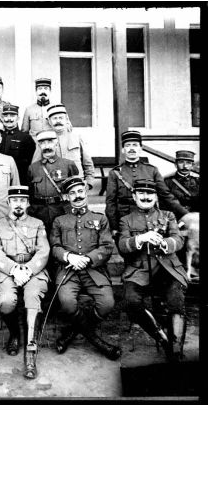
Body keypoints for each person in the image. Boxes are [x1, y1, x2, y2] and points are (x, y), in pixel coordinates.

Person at [49, 176, 121, 360]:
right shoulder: (59, 220)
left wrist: (88, 259)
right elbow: (54, 247)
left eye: (80, 191)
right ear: (67, 197)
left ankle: (73, 332)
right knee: (66, 302)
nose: (77, 195)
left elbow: (106, 246)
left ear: (86, 192)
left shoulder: (100, 219)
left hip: (94, 270)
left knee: (107, 304)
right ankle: (95, 340)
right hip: (68, 270)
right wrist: (68, 256)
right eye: (72, 193)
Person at [118, 179, 188, 361]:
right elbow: (123, 245)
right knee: (130, 301)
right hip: (139, 271)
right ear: (134, 196)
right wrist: (141, 239)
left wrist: (165, 243)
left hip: (168, 269)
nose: (146, 197)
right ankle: (162, 337)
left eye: (150, 193)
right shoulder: (126, 220)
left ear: (156, 196)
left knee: (176, 299)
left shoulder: (168, 215)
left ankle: (176, 349)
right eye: (141, 193)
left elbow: (178, 240)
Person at [0, 186, 49, 378]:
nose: (18, 204)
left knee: (32, 299)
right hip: (7, 270)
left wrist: (28, 269)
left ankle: (30, 352)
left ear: (28, 203)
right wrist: (14, 269)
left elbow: (43, 251)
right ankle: (15, 333)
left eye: (23, 200)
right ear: (8, 203)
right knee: (6, 302)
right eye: (15, 200)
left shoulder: (38, 223)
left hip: (33, 269)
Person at [105, 130, 188, 240]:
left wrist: (185, 214)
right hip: (124, 218)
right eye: (128, 145)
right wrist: (114, 226)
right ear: (123, 150)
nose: (131, 148)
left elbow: (166, 195)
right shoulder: (115, 173)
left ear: (141, 148)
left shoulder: (151, 170)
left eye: (135, 145)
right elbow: (110, 202)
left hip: (150, 217)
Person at [27, 129, 78, 233]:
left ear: (56, 143)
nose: (46, 146)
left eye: (50, 141)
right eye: (42, 143)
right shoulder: (33, 168)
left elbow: (77, 190)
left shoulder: (68, 165)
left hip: (62, 211)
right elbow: (31, 194)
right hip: (40, 213)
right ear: (39, 145)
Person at [32, 104, 94, 188]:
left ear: (66, 119)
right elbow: (36, 165)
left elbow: (87, 162)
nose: (58, 121)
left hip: (77, 184)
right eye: (55, 118)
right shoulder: (43, 139)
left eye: (61, 118)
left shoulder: (76, 137)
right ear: (49, 121)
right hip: (54, 185)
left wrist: (89, 181)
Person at [0, 104, 36, 184]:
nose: (9, 119)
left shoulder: (26, 138)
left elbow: (30, 162)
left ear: (18, 118)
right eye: (6, 116)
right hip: (0, 179)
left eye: (12, 116)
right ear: (2, 118)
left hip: (19, 179)